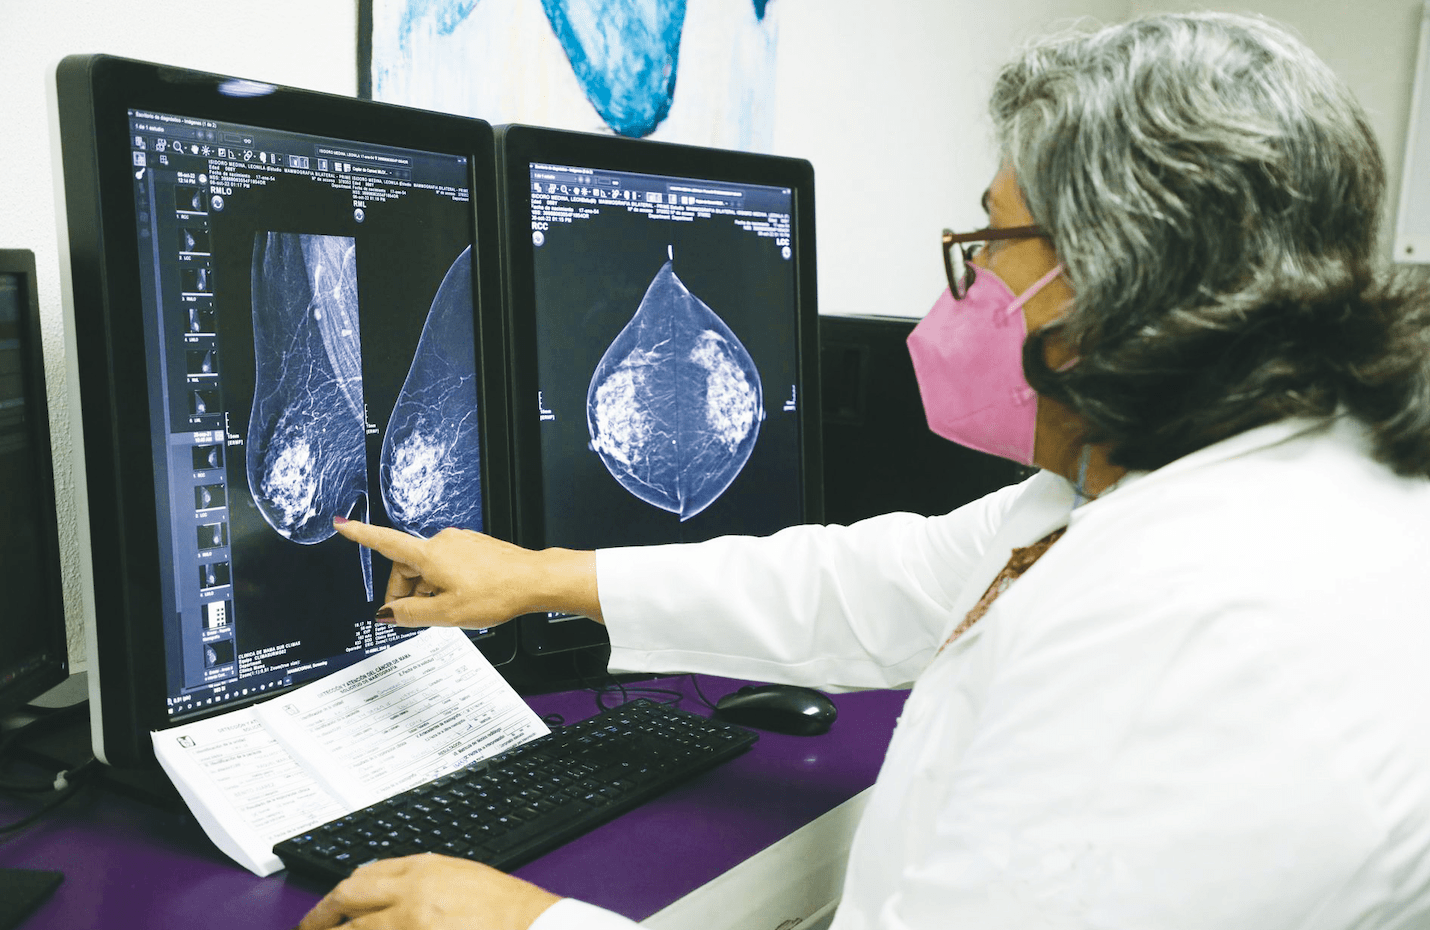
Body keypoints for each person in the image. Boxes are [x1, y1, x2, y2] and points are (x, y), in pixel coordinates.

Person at [298, 11, 1430, 930]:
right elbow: (883, 580)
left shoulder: (1189, 619)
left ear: (1116, 271)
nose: (966, 285)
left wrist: (528, 925)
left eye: (990, 244)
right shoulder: (1206, 480)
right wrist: (543, 577)